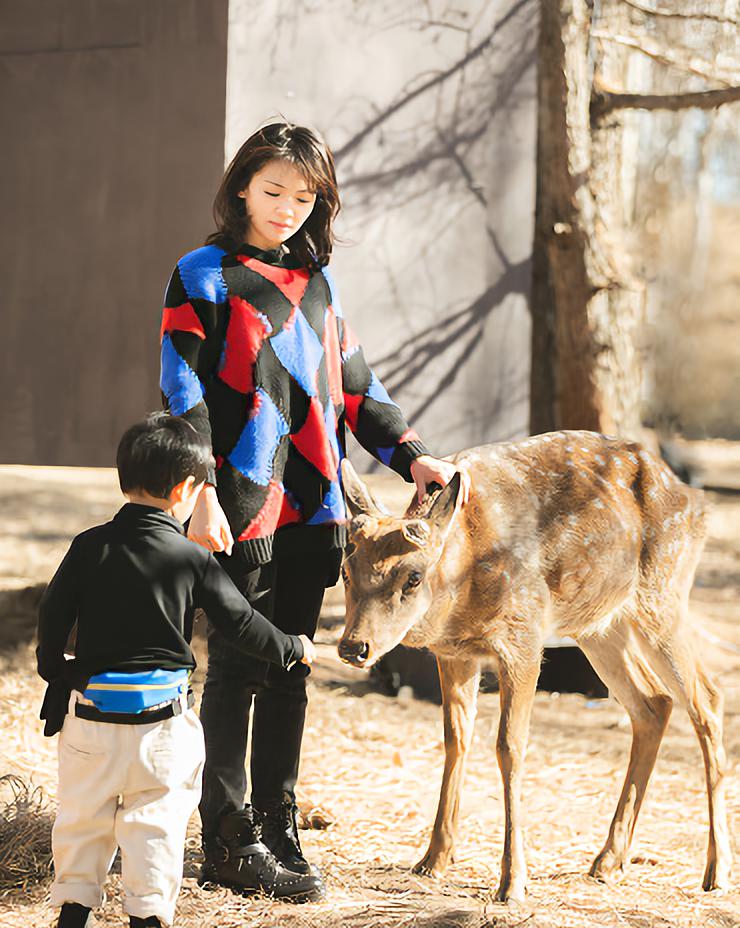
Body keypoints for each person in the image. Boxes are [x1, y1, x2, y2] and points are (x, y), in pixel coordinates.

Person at [159, 121, 470, 898]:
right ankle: (227, 839)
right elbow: (183, 391)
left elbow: (359, 389)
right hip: (239, 506)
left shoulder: (318, 285)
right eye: (273, 191)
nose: (287, 208)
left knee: (293, 666)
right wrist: (196, 494)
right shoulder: (202, 276)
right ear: (240, 188)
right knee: (235, 668)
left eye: (305, 197)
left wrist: (414, 454)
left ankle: (277, 824)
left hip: (317, 511)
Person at [36, 414, 323, 928]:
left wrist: (56, 671)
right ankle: (146, 917)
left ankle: (73, 913)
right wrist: (292, 647)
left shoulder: (88, 546)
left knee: (81, 822)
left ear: (124, 477)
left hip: (91, 719)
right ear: (186, 490)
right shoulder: (192, 558)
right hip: (161, 726)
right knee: (157, 829)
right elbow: (241, 624)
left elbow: (52, 615)